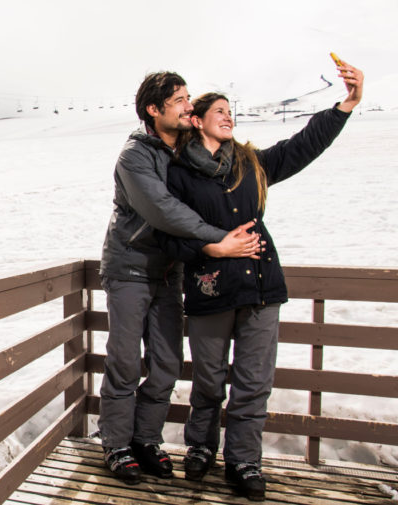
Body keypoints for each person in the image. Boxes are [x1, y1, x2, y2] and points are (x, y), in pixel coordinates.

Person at [156, 58, 364, 501]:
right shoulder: (178, 175)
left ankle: (244, 460)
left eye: (232, 111)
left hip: (261, 287)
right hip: (211, 289)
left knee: (253, 382)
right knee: (209, 382)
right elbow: (167, 238)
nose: (229, 116)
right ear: (196, 120)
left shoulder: (252, 164)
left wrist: (345, 105)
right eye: (219, 111)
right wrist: (208, 248)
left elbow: (303, 145)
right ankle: (200, 448)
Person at [97, 71, 261, 484]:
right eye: (180, 100)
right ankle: (117, 444)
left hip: (170, 272)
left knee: (168, 364)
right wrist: (218, 241)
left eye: (189, 98)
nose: (190, 106)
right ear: (154, 110)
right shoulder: (135, 156)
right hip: (130, 268)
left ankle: (145, 440)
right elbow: (164, 210)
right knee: (125, 362)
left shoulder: (184, 150)